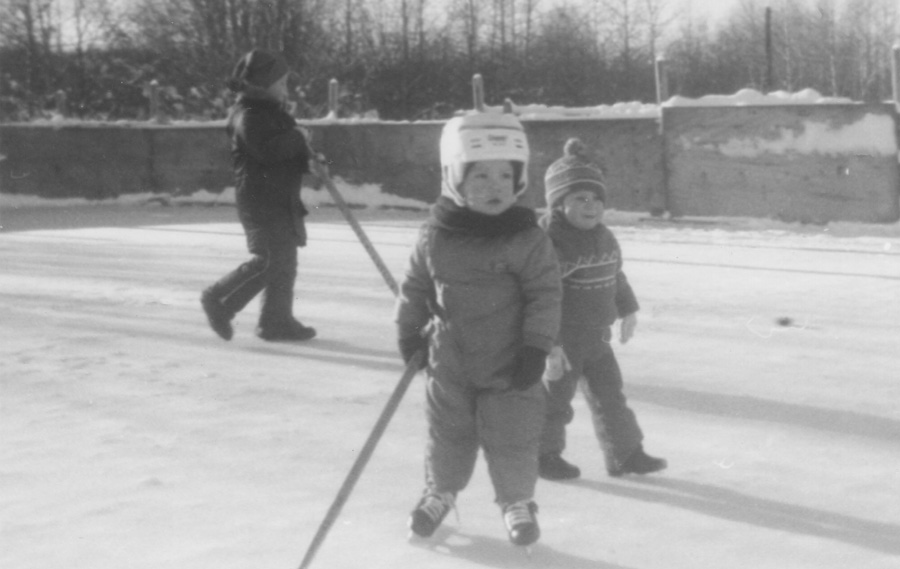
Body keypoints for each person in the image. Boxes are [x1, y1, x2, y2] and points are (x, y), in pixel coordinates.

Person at [395, 112, 562, 547]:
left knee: (513, 435)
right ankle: (440, 492)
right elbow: (415, 285)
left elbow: (545, 295)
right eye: (481, 175)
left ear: (520, 179)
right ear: (455, 179)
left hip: (510, 360)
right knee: (448, 432)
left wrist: (536, 347)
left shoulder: (527, 238)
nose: (495, 186)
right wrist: (408, 330)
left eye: (505, 175)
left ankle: (517, 501)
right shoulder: (436, 234)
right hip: (449, 360)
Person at [537, 138, 667, 480]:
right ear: (557, 204)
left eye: (596, 198)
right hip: (563, 342)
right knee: (555, 403)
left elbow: (615, 274)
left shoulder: (604, 237)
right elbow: (542, 296)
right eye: (579, 198)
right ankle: (543, 454)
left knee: (611, 397)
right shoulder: (552, 244)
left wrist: (628, 309)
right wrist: (549, 343)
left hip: (597, 338)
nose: (590, 206)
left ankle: (626, 453)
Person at [200, 49, 317, 342]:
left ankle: (276, 321)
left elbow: (286, 153)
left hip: (280, 199)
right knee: (267, 260)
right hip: (260, 201)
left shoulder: (274, 114)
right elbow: (266, 151)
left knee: (284, 262)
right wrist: (297, 138)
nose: (286, 88)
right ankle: (218, 299)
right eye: (281, 82)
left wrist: (312, 160)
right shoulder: (247, 116)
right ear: (263, 84)